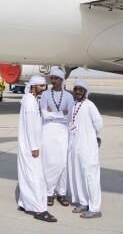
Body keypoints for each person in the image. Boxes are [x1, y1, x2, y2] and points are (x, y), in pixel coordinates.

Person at [17, 75, 57, 223]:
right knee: (36, 177)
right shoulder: (29, 102)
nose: (44, 88)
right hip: (30, 146)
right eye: (41, 86)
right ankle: (39, 209)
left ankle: (24, 203)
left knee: (27, 174)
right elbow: (30, 125)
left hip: (29, 144)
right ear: (34, 86)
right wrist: (34, 147)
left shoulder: (31, 99)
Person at [68, 79, 103, 219]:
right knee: (79, 176)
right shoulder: (74, 105)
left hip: (88, 147)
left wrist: (92, 136)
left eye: (80, 89)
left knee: (90, 177)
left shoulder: (90, 105)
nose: (77, 92)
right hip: (76, 146)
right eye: (75, 89)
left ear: (85, 92)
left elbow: (99, 123)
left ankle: (95, 208)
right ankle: (84, 203)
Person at [39, 68, 74, 207]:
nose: (53, 81)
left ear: (62, 80)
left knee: (63, 163)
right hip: (48, 131)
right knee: (48, 162)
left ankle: (62, 193)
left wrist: (53, 114)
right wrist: (60, 114)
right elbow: (44, 114)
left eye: (56, 78)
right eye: (52, 78)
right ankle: (49, 193)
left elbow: (70, 116)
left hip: (62, 132)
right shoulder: (46, 94)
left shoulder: (69, 97)